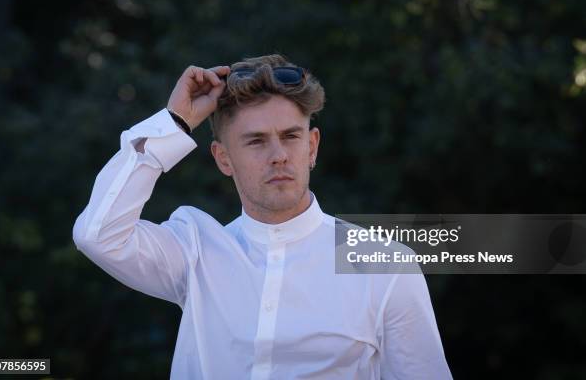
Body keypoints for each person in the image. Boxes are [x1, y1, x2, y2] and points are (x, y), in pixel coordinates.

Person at [72, 54, 453, 379]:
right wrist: (173, 125)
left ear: (312, 147)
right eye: (256, 141)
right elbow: (98, 234)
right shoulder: (195, 252)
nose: (279, 155)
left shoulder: (384, 267)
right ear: (223, 158)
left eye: (291, 136)